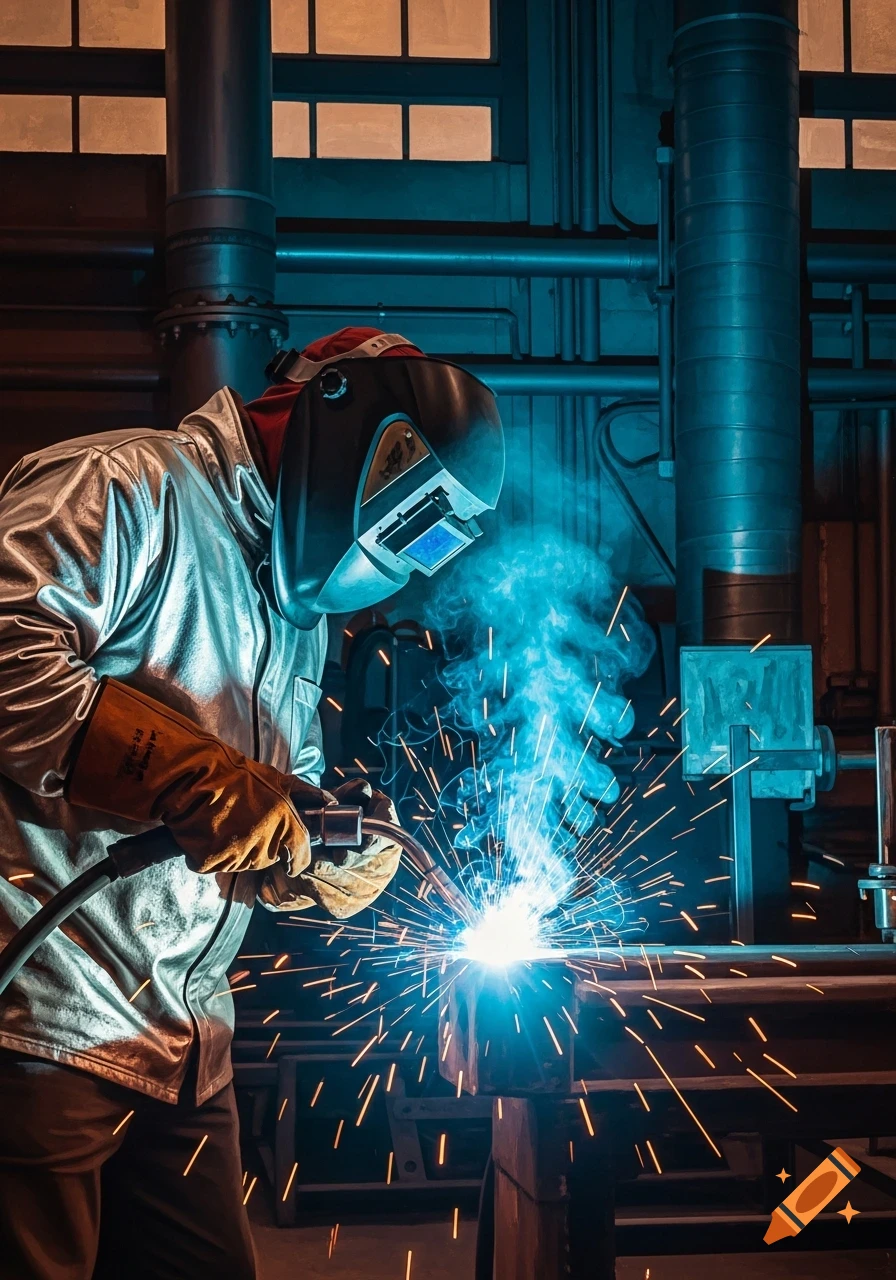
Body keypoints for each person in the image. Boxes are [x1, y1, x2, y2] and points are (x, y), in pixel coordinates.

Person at [0, 327, 504, 1279]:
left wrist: (318, 851)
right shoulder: (125, 487)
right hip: (42, 1025)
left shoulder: (292, 610)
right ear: (340, 419)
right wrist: (191, 772)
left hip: (188, 1048)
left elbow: (255, 810)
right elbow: (6, 656)